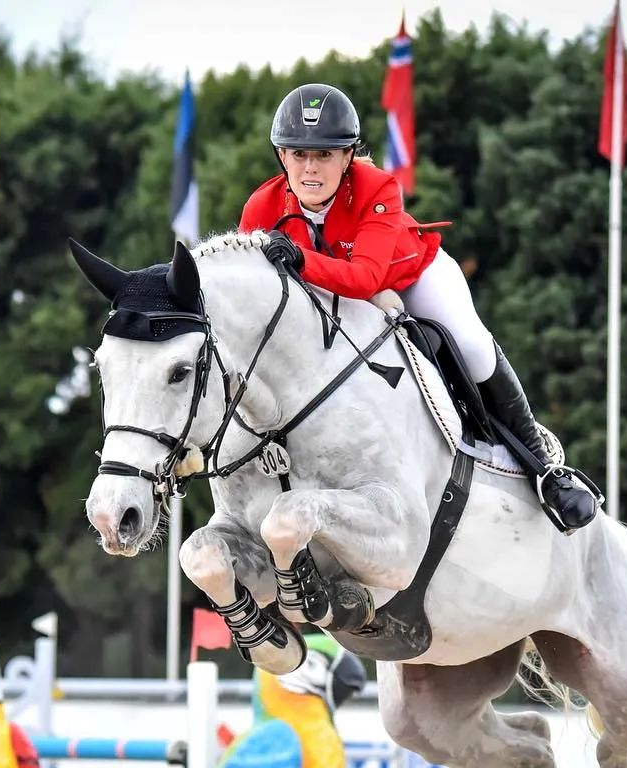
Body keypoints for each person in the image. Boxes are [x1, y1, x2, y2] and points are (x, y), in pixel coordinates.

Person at [238, 82, 598, 533]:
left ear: (348, 156)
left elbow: (368, 278)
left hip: (410, 276)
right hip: (333, 296)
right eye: (298, 154)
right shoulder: (261, 206)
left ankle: (545, 469)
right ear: (281, 157)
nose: (311, 168)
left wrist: (299, 259)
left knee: (471, 345)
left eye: (325, 155)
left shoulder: (378, 187)